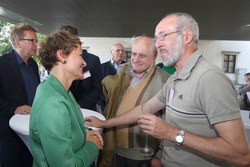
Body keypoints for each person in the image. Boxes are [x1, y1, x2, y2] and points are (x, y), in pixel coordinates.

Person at [85, 13, 250, 166]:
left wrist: (172, 134)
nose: (157, 43)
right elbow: (144, 109)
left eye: (163, 36)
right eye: (157, 38)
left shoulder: (210, 79)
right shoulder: (175, 79)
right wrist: (106, 122)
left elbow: (241, 155)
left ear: (187, 36)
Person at [29, 30, 103, 167]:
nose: (84, 63)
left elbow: (69, 128)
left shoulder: (59, 90)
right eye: (80, 55)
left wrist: (87, 132)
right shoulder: (53, 104)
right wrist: (92, 145)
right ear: (62, 56)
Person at [98, 36, 169, 167]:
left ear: (154, 56)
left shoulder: (164, 80)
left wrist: (160, 155)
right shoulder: (123, 75)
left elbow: (169, 121)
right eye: (134, 54)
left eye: (142, 55)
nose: (135, 60)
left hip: (144, 156)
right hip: (116, 150)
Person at [0, 23, 40, 167]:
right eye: (32, 41)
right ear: (18, 42)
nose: (36, 44)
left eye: (36, 41)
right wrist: (13, 108)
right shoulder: (2, 64)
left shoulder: (34, 65)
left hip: (30, 130)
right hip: (8, 134)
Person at [60, 25, 102, 111]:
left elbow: (97, 88)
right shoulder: (57, 61)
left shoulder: (92, 60)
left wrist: (80, 104)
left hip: (87, 109)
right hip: (64, 109)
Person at [99, 43, 127, 111]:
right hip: (106, 105)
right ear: (111, 52)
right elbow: (98, 86)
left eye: (122, 51)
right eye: (118, 50)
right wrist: (101, 101)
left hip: (124, 104)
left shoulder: (128, 67)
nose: (121, 53)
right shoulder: (102, 67)